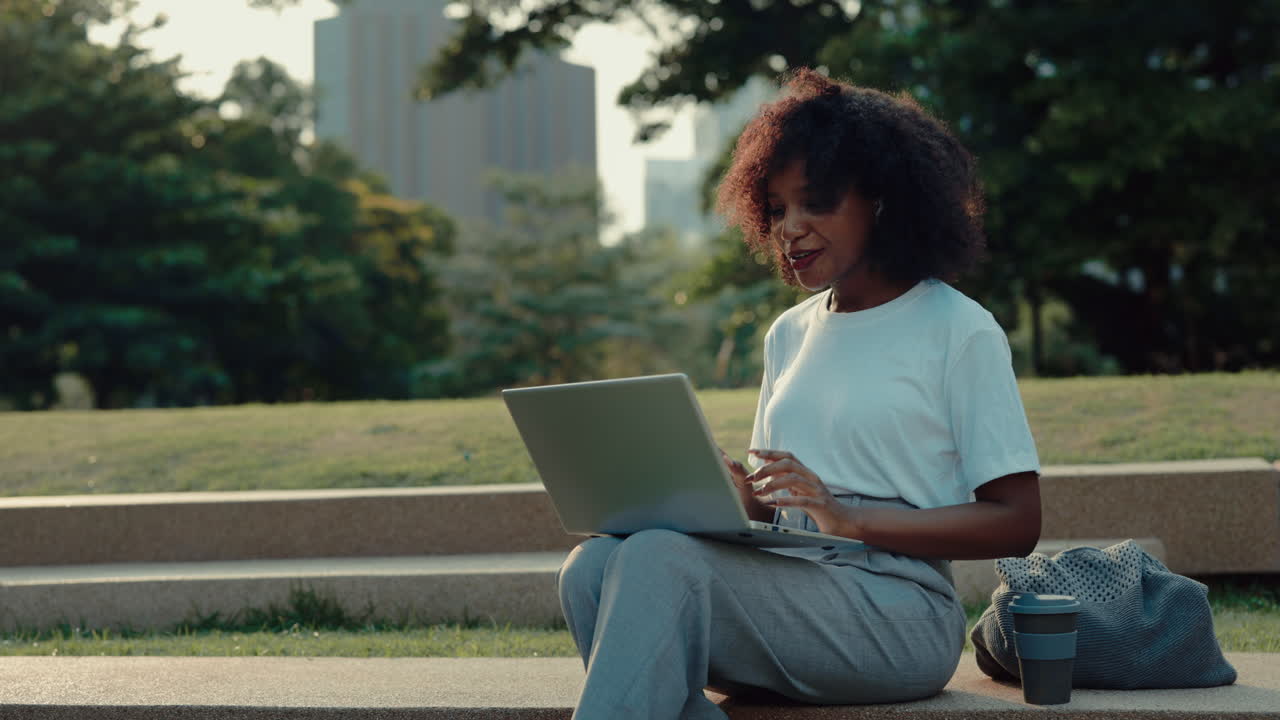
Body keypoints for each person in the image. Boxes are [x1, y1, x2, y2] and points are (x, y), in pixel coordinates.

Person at [556, 68, 1042, 719]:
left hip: (898, 609)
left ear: (880, 200)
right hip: (791, 579)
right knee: (591, 566)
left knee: (656, 560)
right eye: (778, 209)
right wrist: (741, 498)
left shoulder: (958, 329)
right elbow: (776, 506)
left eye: (815, 203)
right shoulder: (788, 333)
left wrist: (851, 519)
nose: (790, 227)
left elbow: (1018, 521)